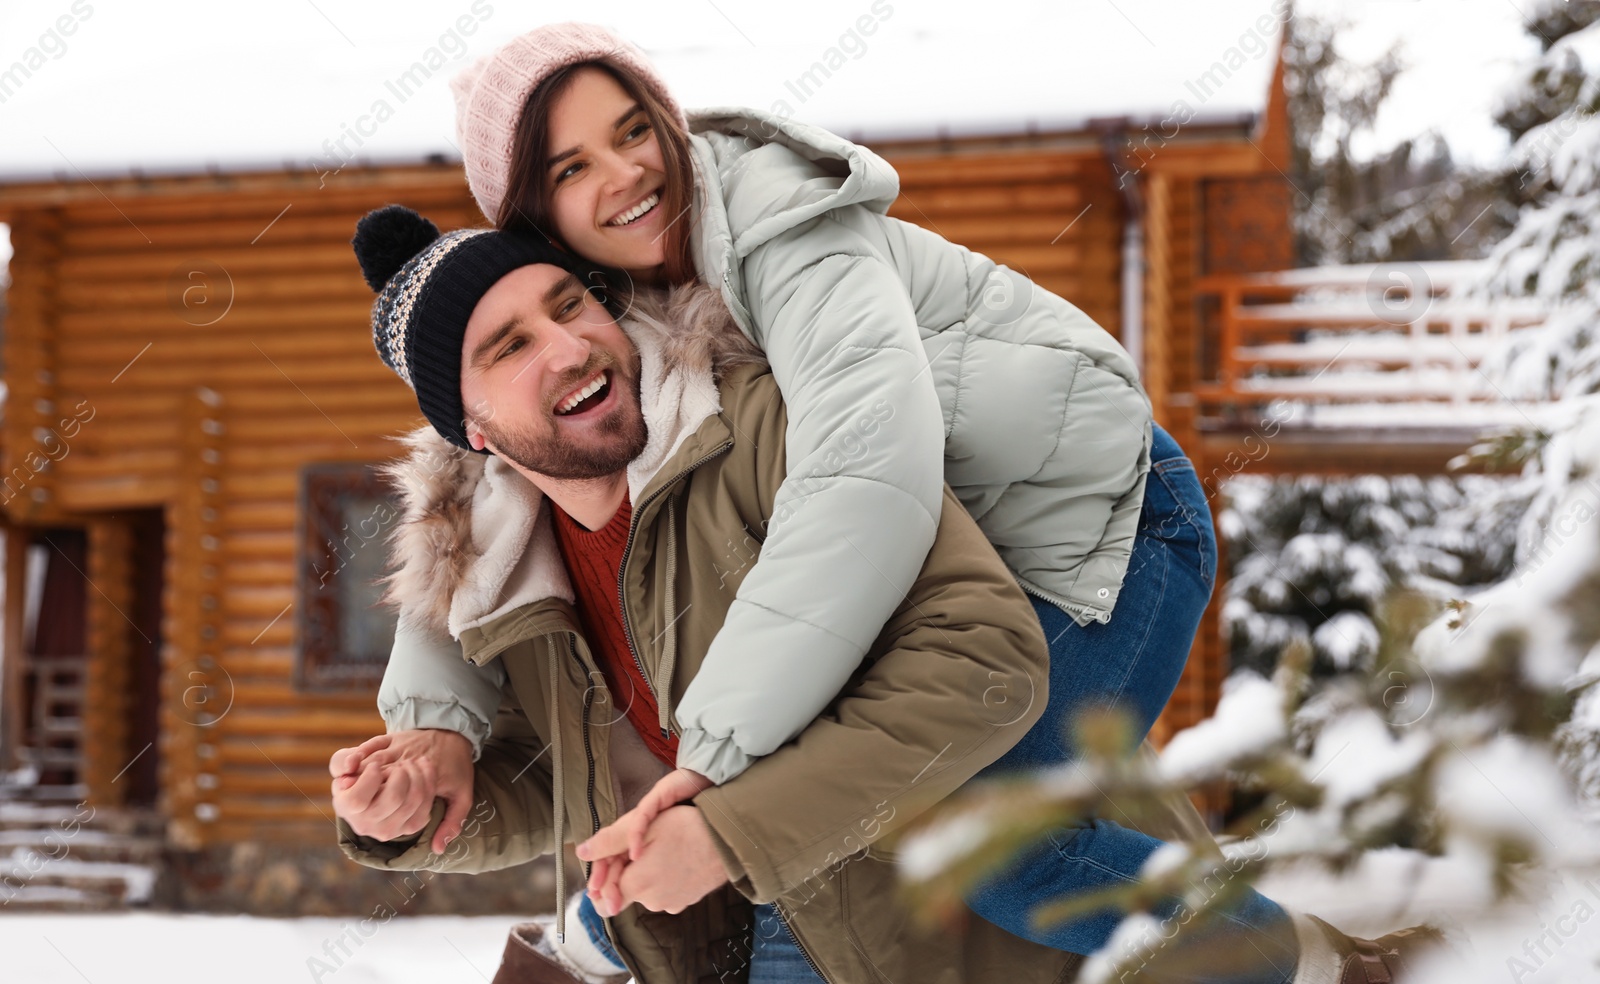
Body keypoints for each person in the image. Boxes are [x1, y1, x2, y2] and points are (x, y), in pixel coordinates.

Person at [333, 205, 1442, 984]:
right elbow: (570, 794)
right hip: (756, 935)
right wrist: (436, 800)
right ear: (469, 429)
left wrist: (730, 837)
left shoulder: (765, 432)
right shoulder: (503, 586)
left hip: (929, 930)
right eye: (509, 345)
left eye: (571, 302)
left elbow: (983, 662)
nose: (569, 343)